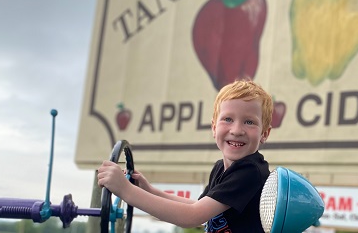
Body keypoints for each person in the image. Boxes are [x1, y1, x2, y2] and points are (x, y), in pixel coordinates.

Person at [97, 79, 273, 232]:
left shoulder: (250, 172)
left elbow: (192, 216)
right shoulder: (221, 167)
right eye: (228, 119)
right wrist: (151, 191)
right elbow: (197, 207)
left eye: (249, 122)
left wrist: (125, 190)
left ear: (264, 134)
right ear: (213, 127)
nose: (236, 130)